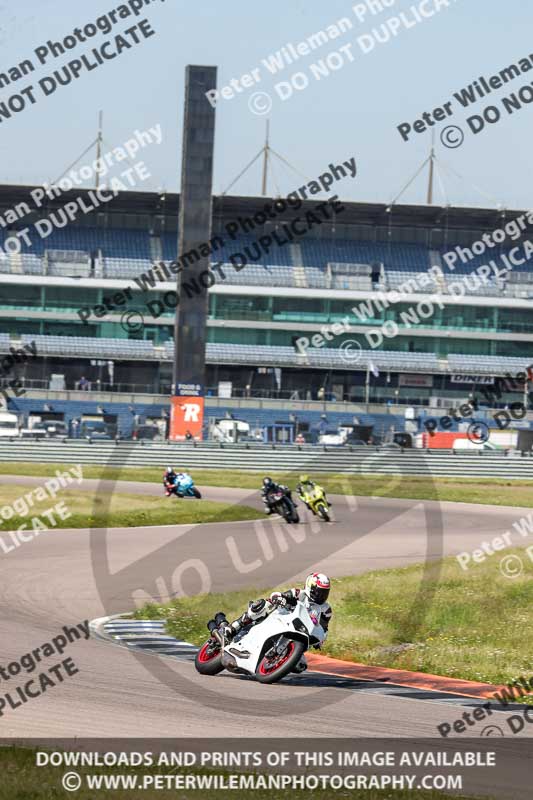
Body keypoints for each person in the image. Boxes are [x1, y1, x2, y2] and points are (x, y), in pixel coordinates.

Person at [216, 573, 333, 674]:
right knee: (261, 605)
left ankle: (273, 662)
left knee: (300, 666)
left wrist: (320, 640)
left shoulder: (326, 610)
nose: (321, 595)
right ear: (310, 587)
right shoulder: (299, 593)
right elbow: (280, 595)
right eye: (318, 591)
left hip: (300, 636)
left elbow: (324, 628)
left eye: (324, 592)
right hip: (280, 619)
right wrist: (279, 598)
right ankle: (233, 627)